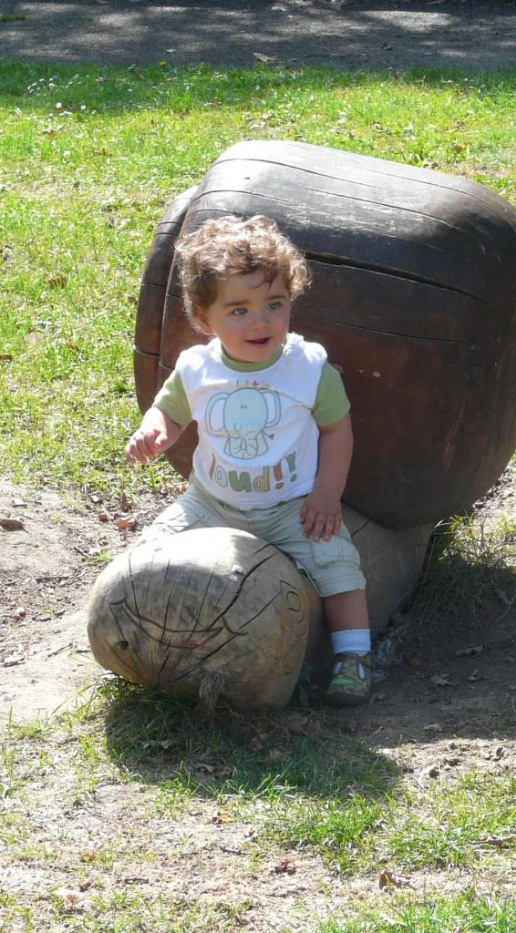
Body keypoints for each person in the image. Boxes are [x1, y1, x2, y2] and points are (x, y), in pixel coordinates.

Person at [125, 215, 371, 706]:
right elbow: (170, 410)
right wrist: (155, 430)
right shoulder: (198, 367)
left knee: (338, 564)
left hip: (291, 504)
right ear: (204, 317)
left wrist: (326, 494)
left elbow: (336, 429)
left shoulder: (307, 369)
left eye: (274, 304)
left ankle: (353, 657)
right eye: (239, 310)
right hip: (211, 501)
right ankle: (133, 635)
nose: (261, 321)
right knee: (149, 552)